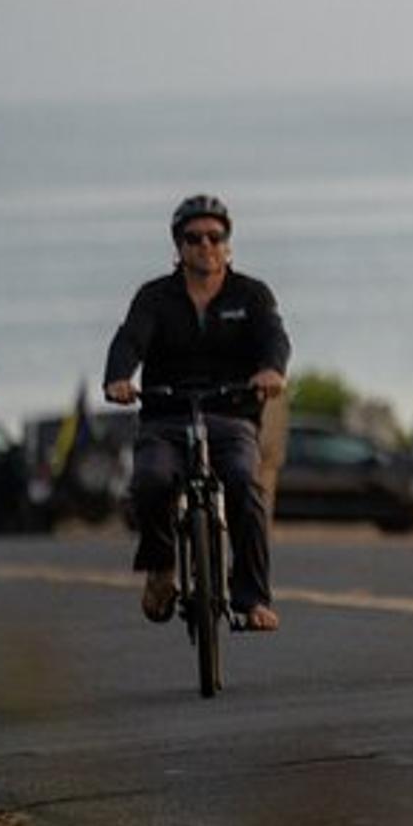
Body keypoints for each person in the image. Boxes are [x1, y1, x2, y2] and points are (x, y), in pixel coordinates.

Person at [104, 195, 290, 630]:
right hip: (166, 418)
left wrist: (271, 371)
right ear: (178, 246)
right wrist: (118, 378)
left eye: (214, 236)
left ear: (228, 244)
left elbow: (275, 339)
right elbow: (129, 340)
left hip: (231, 417)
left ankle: (251, 598)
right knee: (150, 481)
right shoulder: (155, 297)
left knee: (245, 486)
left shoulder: (252, 294)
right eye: (193, 238)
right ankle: (161, 566)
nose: (204, 245)